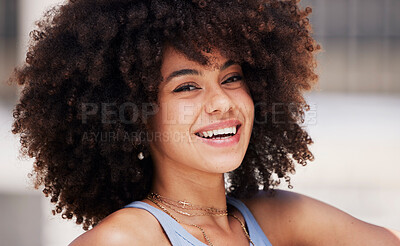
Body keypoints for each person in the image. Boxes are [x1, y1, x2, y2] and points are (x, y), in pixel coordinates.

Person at [11, 0, 400, 245]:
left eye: (231, 78)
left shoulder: (278, 216)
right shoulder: (123, 239)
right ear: (134, 114)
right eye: (187, 87)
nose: (221, 103)